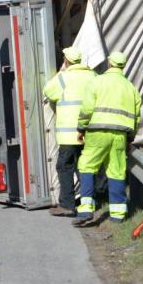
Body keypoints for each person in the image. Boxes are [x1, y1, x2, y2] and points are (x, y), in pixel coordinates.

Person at [73, 51, 142, 228]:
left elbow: (87, 108)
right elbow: (136, 117)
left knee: (87, 166)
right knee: (116, 171)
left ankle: (86, 208)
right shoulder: (131, 88)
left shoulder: (97, 81)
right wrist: (129, 139)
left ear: (110, 64)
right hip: (120, 135)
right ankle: (118, 215)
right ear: (123, 66)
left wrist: (81, 128)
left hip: (97, 132)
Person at [41, 46, 96, 217]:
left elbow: (48, 92)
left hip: (69, 134)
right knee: (85, 168)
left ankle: (67, 204)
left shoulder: (64, 78)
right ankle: (91, 202)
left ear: (67, 61)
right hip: (88, 133)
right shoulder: (92, 76)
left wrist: (59, 72)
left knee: (64, 167)